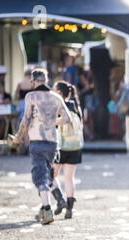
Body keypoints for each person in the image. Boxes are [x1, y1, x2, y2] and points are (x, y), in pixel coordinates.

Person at [11, 69, 72, 225]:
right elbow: (67, 118)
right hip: (53, 143)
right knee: (48, 175)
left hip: (37, 141)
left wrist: (18, 137)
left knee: (40, 178)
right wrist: (52, 122)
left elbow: (25, 120)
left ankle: (46, 210)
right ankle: (53, 203)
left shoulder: (31, 96)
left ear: (34, 81)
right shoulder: (56, 97)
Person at [52, 81, 84, 219]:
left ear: (59, 92)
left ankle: (60, 200)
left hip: (62, 146)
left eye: (54, 90)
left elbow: (59, 123)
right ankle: (69, 209)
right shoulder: (76, 106)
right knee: (69, 178)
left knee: (51, 175)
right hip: (75, 146)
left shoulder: (60, 106)